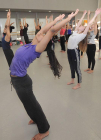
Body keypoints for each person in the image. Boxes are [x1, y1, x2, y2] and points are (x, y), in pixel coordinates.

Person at [10, 10, 79, 140]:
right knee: (27, 104)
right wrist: (55, 19)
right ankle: (35, 118)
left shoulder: (37, 49)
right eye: (40, 33)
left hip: (22, 82)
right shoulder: (31, 44)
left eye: (44, 35)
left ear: (46, 41)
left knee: (33, 105)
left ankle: (44, 129)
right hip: (17, 81)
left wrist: (68, 18)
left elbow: (51, 30)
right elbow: (46, 29)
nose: (41, 34)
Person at [67, 9, 101, 90]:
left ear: (83, 29)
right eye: (81, 26)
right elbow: (79, 23)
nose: (80, 26)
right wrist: (83, 15)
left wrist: (95, 14)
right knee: (71, 66)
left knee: (77, 68)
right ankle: (72, 80)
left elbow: (89, 24)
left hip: (74, 52)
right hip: (69, 51)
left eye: (83, 26)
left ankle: (79, 84)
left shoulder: (82, 35)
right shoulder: (75, 32)